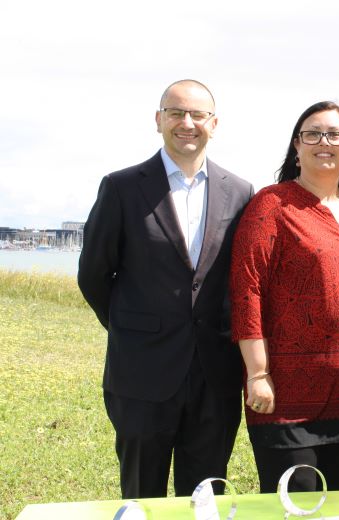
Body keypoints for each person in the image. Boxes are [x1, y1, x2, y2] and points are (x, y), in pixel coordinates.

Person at [78, 79, 254, 498]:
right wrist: (132, 327)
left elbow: (241, 280)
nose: (186, 123)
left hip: (215, 374)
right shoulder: (121, 187)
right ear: (158, 120)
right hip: (142, 373)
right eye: (176, 113)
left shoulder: (240, 192)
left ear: (214, 124)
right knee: (142, 496)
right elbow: (94, 275)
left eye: (198, 114)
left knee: (205, 498)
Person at [230, 101, 339, 493]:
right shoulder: (271, 205)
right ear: (296, 147)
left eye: (335, 135)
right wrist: (257, 373)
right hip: (285, 398)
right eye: (312, 134)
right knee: (295, 507)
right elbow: (248, 291)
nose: (324, 142)